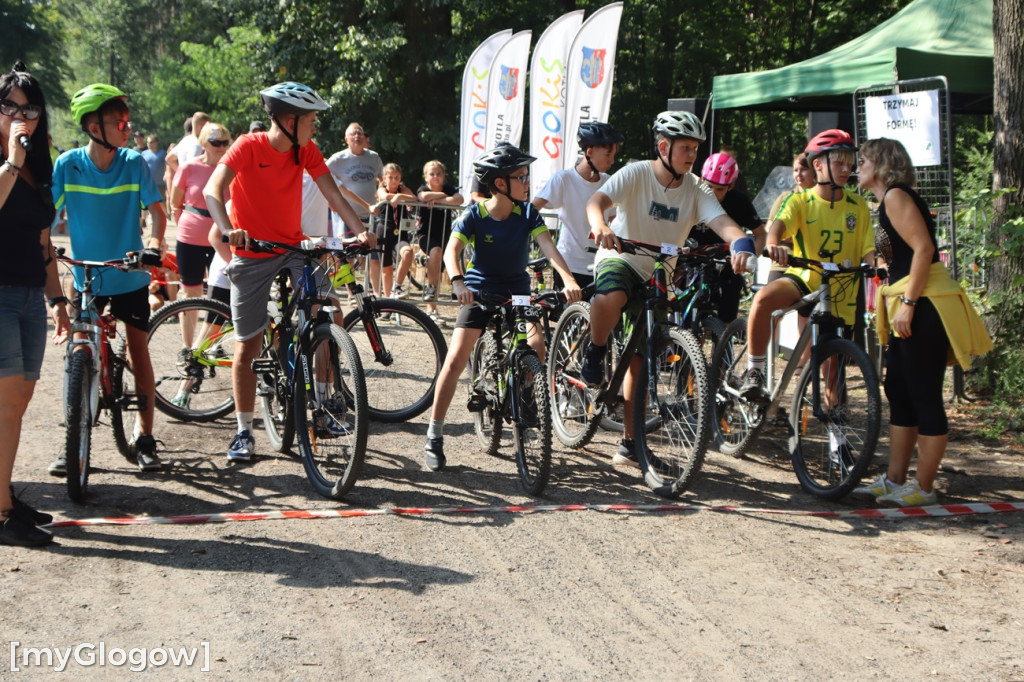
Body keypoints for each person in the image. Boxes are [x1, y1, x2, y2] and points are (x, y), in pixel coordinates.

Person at [203, 82, 375, 463]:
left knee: (326, 312)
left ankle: (326, 403)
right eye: (310, 120)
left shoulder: (306, 151)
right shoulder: (248, 146)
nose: (315, 128)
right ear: (287, 120)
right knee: (248, 342)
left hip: (294, 247)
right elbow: (214, 190)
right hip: (252, 251)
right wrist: (228, 228)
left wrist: (359, 230)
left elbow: (333, 194)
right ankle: (244, 431)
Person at [583, 111, 754, 468]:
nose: (693, 155)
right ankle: (595, 350)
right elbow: (596, 202)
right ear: (664, 147)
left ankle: (630, 445)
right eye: (686, 148)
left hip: (659, 272)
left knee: (641, 362)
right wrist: (601, 225)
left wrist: (740, 243)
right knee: (610, 296)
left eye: (695, 148)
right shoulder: (636, 173)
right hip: (622, 257)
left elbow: (722, 222)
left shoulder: (696, 188)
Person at [421, 144, 581, 471]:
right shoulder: (475, 215)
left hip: (518, 291)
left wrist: (566, 279)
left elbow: (548, 247)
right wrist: (458, 282)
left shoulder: (527, 214)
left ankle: (525, 395)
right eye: (520, 177)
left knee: (537, 346)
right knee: (455, 358)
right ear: (499, 184)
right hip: (479, 289)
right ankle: (434, 435)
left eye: (526, 176)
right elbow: (452, 250)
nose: (527, 183)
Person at [853, 138, 992, 506]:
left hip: (925, 302)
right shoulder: (885, 201)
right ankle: (895, 480)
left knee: (923, 393)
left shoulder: (897, 196)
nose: (857, 166)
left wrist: (909, 303)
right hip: (910, 297)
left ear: (882, 164)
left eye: (863, 160)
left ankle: (925, 488)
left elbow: (925, 250)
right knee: (898, 388)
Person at [49, 82, 167, 473]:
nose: (127, 128)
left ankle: (145, 436)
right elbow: (45, 217)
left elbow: (157, 213)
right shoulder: (67, 164)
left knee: (138, 351)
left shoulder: (135, 162)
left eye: (127, 122)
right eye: (120, 121)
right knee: (77, 355)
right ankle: (73, 442)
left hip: (129, 276)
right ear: (94, 125)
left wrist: (153, 242)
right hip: (87, 278)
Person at [740, 129, 874, 400]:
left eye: (850, 163)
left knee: (833, 369)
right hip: (805, 276)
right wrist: (774, 243)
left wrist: (880, 264)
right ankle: (753, 371)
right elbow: (777, 225)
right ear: (818, 164)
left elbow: (870, 247)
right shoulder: (801, 200)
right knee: (764, 299)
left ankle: (837, 436)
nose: (847, 168)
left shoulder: (858, 206)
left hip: (839, 289)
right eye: (839, 162)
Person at [0, 61, 69, 547]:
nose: (22, 116)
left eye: (30, 109)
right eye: (11, 107)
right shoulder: (11, 162)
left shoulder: (38, 163)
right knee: (4, 404)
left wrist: (57, 298)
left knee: (18, 403)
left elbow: (45, 240)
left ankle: (2, 495)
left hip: (29, 294)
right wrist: (10, 162)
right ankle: (2, 515)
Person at [533, 121, 624, 292]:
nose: (612, 160)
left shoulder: (609, 182)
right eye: (607, 155)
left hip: (601, 263)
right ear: (589, 151)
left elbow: (615, 220)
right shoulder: (564, 179)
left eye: (614, 155)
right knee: (571, 316)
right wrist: (540, 236)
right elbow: (531, 210)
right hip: (569, 264)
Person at [691, 151, 765, 322]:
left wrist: (750, 256)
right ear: (701, 180)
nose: (712, 193)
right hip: (693, 259)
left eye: (720, 189)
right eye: (708, 187)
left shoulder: (740, 202)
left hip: (727, 261)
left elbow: (760, 234)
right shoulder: (691, 197)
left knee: (734, 285)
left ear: (731, 186)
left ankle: (724, 337)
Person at [170, 122, 232, 300]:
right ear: (204, 143)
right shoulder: (188, 168)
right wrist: (185, 226)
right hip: (191, 238)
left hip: (222, 239)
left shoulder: (231, 169)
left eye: (225, 142)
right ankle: (186, 330)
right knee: (191, 292)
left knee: (221, 291)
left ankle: (216, 327)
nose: (221, 147)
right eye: (216, 142)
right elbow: (176, 204)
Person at [326, 122, 384, 292]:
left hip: (371, 214)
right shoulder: (338, 159)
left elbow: (383, 179)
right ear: (346, 139)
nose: (357, 136)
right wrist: (330, 201)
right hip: (347, 215)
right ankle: (352, 293)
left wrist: (381, 191)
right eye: (353, 134)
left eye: (360, 133)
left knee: (374, 255)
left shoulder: (374, 157)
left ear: (365, 137)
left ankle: (376, 292)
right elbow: (321, 175)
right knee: (348, 255)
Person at [416, 159, 464, 325]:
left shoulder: (449, 189)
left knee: (437, 269)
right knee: (435, 251)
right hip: (425, 234)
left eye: (439, 174)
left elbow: (459, 199)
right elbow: (423, 196)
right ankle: (431, 304)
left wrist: (439, 200)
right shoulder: (424, 188)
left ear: (443, 176)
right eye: (432, 174)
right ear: (426, 176)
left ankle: (433, 309)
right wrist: (443, 196)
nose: (435, 177)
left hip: (444, 235)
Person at [764, 152, 816, 283]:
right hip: (783, 261)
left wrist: (791, 235)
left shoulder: (821, 200)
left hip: (812, 264)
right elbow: (769, 228)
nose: (798, 174)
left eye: (803, 169)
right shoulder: (784, 197)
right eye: (795, 170)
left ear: (815, 171)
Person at [375, 162, 417, 298]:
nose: (393, 181)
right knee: (386, 270)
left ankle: (396, 286)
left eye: (396, 177)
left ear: (400, 178)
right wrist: (396, 197)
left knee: (408, 253)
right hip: (384, 230)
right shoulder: (382, 189)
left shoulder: (402, 190)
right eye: (390, 177)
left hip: (400, 232)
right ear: (384, 178)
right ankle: (387, 302)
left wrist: (400, 196)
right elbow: (383, 196)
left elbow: (414, 198)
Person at [164, 112, 209, 191]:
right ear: (201, 127)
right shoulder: (197, 145)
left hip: (186, 186)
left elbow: (169, 159)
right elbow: (192, 165)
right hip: (195, 187)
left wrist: (180, 173)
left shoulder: (185, 141)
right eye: (208, 127)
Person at [141, 134, 167, 208]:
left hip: (160, 183)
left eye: (151, 142)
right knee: (149, 202)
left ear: (157, 142)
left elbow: (167, 167)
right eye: (148, 142)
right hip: (148, 183)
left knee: (162, 201)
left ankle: (166, 216)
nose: (149, 144)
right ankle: (146, 218)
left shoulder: (163, 153)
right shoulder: (143, 154)